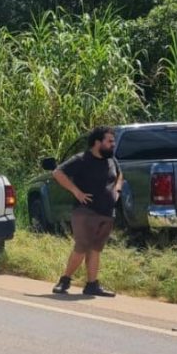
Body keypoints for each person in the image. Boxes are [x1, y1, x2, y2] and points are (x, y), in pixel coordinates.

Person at [51, 126, 121, 297]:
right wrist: (76, 191)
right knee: (82, 247)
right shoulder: (81, 159)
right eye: (109, 141)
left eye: (113, 141)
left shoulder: (112, 160)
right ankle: (64, 280)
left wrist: (117, 190)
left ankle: (92, 284)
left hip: (106, 212)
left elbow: (120, 175)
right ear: (97, 142)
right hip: (85, 211)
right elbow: (58, 173)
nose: (113, 144)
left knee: (96, 249)